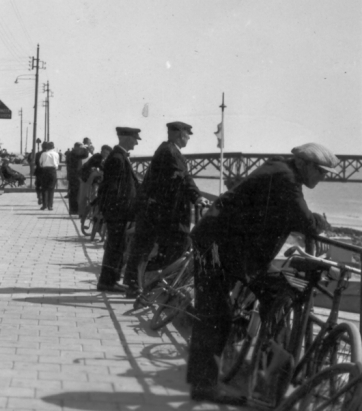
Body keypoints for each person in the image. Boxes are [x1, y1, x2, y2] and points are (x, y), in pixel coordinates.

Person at [185, 143, 338, 405]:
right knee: (215, 315)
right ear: (304, 163)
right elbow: (306, 221)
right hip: (218, 248)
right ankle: (213, 385)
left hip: (227, 248)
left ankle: (263, 369)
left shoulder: (281, 170)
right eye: (321, 171)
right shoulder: (286, 178)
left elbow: (287, 213)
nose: (322, 178)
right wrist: (320, 221)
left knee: (261, 296)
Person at [123, 121, 203, 297]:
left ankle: (136, 285)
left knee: (143, 248)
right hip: (156, 210)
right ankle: (147, 285)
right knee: (176, 244)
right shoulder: (171, 152)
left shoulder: (166, 149)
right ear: (180, 134)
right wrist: (197, 197)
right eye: (188, 135)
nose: (189, 138)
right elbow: (184, 177)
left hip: (151, 207)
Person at [95, 127, 141, 292]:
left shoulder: (119, 157)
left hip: (118, 211)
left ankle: (110, 280)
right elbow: (113, 188)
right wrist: (120, 209)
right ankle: (108, 282)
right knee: (115, 248)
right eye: (135, 139)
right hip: (118, 212)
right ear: (126, 138)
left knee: (116, 246)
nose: (136, 143)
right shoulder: (117, 158)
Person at [78, 144, 112, 224]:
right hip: (86, 177)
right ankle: (82, 213)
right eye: (104, 152)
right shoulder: (97, 157)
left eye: (107, 153)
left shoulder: (107, 159)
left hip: (96, 179)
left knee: (94, 195)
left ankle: (92, 213)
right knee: (84, 195)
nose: (105, 154)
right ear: (101, 151)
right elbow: (99, 166)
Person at [66, 141, 90, 215]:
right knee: (75, 193)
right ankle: (75, 210)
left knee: (73, 193)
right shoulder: (74, 154)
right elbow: (86, 155)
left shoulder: (70, 153)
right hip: (75, 176)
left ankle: (73, 210)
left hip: (72, 176)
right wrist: (85, 148)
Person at [37, 141, 60, 210]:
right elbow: (57, 163)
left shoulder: (44, 154)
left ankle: (44, 205)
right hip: (53, 170)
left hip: (45, 170)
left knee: (44, 188)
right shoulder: (56, 154)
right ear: (53, 147)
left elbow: (40, 163)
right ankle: (50, 205)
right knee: (51, 188)